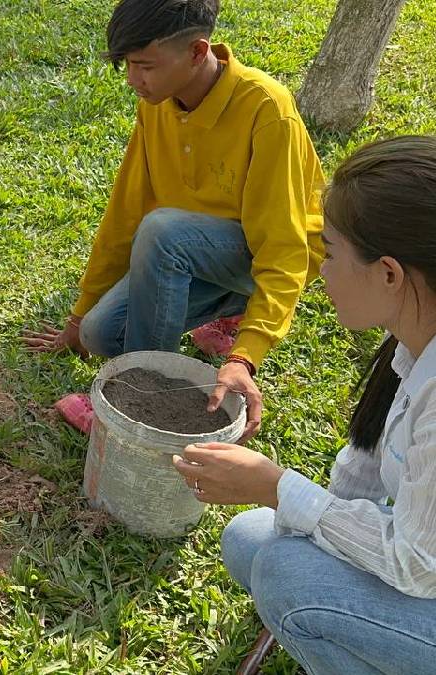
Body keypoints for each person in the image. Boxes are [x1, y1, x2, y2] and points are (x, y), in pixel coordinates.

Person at [174, 136, 436, 674]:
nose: (321, 270)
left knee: (288, 578)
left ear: (389, 272)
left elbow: (417, 564)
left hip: (424, 569)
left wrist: (276, 487)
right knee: (251, 541)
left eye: (331, 252)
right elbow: (362, 474)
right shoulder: (412, 342)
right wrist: (302, 519)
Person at [23, 0, 325, 441]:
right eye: (128, 64)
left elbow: (284, 248)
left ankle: (142, 397)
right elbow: (125, 211)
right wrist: (79, 315)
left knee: (164, 232)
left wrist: (246, 354)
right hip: (189, 250)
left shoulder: (266, 109)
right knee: (101, 333)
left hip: (262, 253)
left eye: (144, 66)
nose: (133, 79)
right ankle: (226, 313)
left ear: (198, 52)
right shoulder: (157, 103)